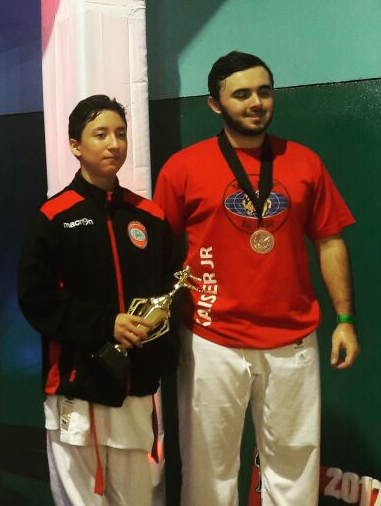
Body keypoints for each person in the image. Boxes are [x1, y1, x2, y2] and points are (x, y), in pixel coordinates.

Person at [154, 51, 361, 505]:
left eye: (264, 92)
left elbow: (330, 241)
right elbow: (159, 252)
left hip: (292, 339)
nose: (256, 103)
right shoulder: (183, 168)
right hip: (212, 338)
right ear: (215, 103)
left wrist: (345, 319)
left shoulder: (304, 162)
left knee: (294, 467)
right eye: (242, 94)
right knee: (208, 471)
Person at [17, 95, 177, 506]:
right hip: (78, 383)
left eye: (120, 134)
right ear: (75, 145)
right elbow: (36, 298)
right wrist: (106, 324)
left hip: (135, 387)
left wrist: (153, 341)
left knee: (137, 499)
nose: (113, 144)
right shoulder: (53, 216)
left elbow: (168, 290)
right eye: (100, 134)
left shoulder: (150, 216)